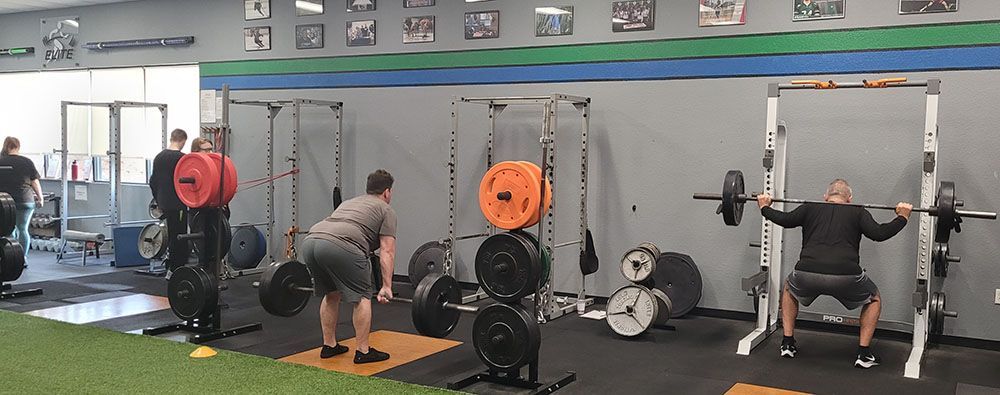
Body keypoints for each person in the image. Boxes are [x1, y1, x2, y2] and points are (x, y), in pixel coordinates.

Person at [756, 179, 912, 369]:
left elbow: (784, 220)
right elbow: (879, 233)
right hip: (846, 276)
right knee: (874, 299)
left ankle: (787, 344)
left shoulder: (810, 207)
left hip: (807, 273)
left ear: (826, 196)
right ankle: (863, 354)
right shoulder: (857, 211)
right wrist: (902, 217)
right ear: (849, 198)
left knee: (789, 289)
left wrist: (764, 207)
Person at [302, 169, 396, 364]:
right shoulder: (386, 210)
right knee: (362, 297)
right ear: (387, 192)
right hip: (342, 245)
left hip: (311, 241)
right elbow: (387, 251)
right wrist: (386, 286)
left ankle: (329, 345)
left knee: (331, 293)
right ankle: (363, 351)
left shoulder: (349, 203)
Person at [149, 129, 189, 275]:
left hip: (164, 203)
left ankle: (171, 267)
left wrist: (158, 200)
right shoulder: (182, 159)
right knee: (179, 236)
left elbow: (153, 181)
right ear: (183, 141)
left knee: (171, 234)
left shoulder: (158, 157)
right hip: (178, 203)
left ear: (171, 138)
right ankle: (175, 269)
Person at [0, 137, 43, 255]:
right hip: (25, 200)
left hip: (5, 202)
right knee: (23, 229)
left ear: (5, 146)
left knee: (8, 230)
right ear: (18, 147)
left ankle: (11, 258)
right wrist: (40, 198)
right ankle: (23, 258)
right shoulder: (27, 161)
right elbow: (35, 182)